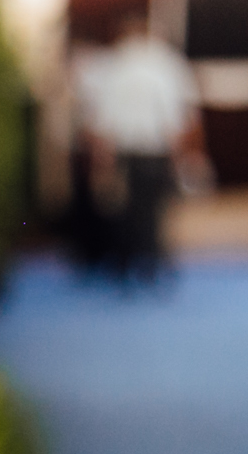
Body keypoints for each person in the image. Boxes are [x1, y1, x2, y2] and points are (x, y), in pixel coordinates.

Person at [73, 14, 204, 282]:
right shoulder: (166, 64)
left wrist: (102, 155)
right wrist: (182, 154)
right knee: (153, 211)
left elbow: (99, 119)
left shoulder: (114, 66)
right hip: (156, 150)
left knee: (126, 211)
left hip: (126, 150)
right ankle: (151, 265)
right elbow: (182, 116)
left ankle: (126, 263)